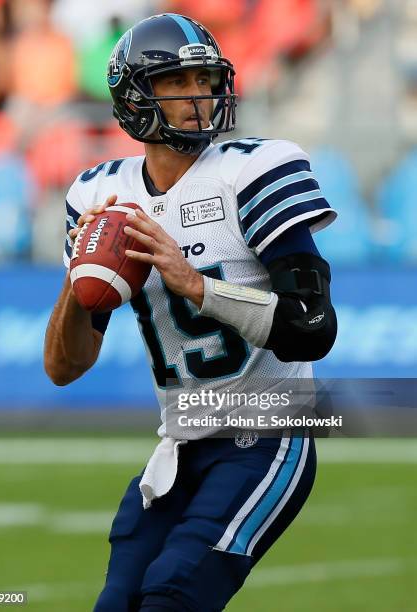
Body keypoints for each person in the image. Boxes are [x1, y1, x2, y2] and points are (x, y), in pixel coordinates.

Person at [44, 13, 338, 612]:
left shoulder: (251, 170)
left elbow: (313, 328)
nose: (197, 96)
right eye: (176, 82)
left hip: (268, 434)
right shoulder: (98, 194)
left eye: (204, 78)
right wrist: (81, 282)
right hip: (179, 443)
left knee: (172, 594)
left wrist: (197, 287)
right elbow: (64, 367)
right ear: (134, 97)